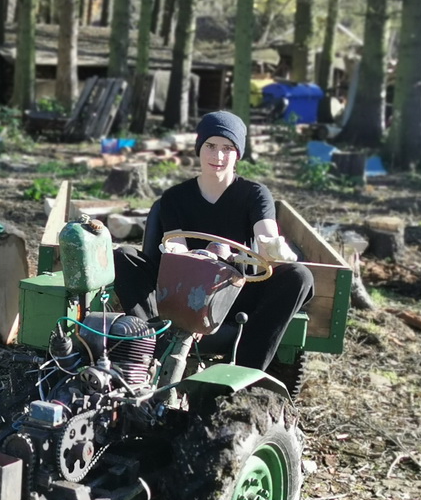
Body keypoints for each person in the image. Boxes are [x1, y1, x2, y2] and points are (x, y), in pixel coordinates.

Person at [113, 110, 314, 371]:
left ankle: (244, 372)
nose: (218, 156)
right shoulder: (175, 197)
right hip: (181, 290)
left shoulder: (255, 193)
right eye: (210, 146)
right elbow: (177, 247)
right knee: (124, 256)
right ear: (199, 148)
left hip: (235, 289)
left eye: (227, 148)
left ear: (238, 153)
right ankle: (155, 340)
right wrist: (194, 294)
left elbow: (265, 233)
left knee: (299, 275)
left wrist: (272, 245)